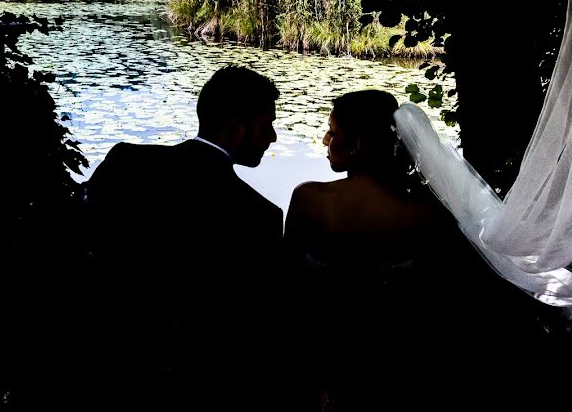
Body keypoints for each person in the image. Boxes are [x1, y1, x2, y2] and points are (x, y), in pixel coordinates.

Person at [79, 65, 283, 406]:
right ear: (236, 130)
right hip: (197, 381)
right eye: (267, 126)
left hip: (101, 356)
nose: (273, 137)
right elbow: (254, 322)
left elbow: (82, 241)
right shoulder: (258, 216)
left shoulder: (125, 161)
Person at [283, 90, 495, 409]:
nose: (326, 140)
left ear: (357, 146)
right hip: (405, 357)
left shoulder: (311, 200)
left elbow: (290, 285)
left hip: (332, 353)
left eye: (333, 131)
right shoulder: (430, 213)